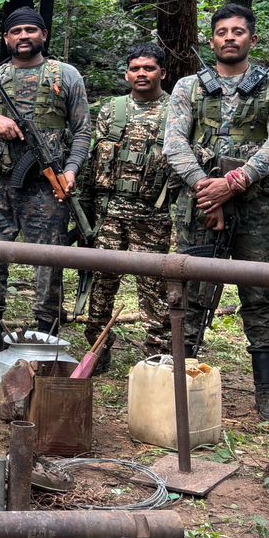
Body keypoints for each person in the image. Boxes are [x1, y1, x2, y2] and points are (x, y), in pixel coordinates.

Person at [163, 3, 269, 422]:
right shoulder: (189, 87)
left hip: (257, 207)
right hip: (200, 204)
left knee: (258, 293)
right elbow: (174, 144)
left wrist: (235, 182)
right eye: (222, 31)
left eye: (239, 31)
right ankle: (178, 384)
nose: (230, 38)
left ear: (252, 40)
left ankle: (268, 391)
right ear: (212, 39)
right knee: (191, 291)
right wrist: (207, 187)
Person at [0, 7, 91, 362]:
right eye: (17, 32)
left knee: (49, 259)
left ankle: (45, 330)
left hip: (47, 188)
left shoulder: (66, 75)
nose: (24, 37)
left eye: (32, 30)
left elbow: (82, 132)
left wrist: (72, 170)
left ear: (43, 35)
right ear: (6, 38)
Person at [78, 44, 175, 373]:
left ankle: (157, 357)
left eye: (149, 68)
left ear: (162, 72)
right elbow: (93, 163)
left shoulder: (176, 111)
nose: (142, 74)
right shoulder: (112, 109)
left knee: (153, 288)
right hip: (109, 215)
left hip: (153, 218)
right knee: (101, 283)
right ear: (127, 74)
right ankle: (97, 348)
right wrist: (84, 210)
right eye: (135, 69)